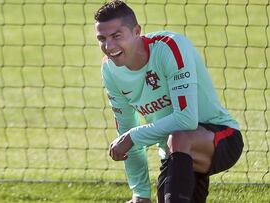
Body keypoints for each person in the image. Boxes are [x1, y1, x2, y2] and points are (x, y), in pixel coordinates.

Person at [94, 1, 244, 202]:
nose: (109, 46)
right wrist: (140, 193)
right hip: (174, 155)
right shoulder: (110, 70)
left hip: (221, 138)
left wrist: (133, 136)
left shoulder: (169, 48)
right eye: (102, 39)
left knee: (180, 136)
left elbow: (186, 120)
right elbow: (126, 132)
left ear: (137, 31)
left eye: (116, 36)